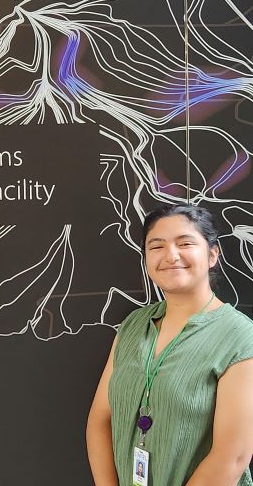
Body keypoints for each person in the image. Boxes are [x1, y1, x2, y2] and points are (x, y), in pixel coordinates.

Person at [86, 204, 253, 485]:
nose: (170, 255)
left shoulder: (239, 337)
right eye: (156, 246)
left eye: (185, 243)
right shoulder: (133, 325)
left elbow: (232, 456)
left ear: (212, 255)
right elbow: (100, 421)